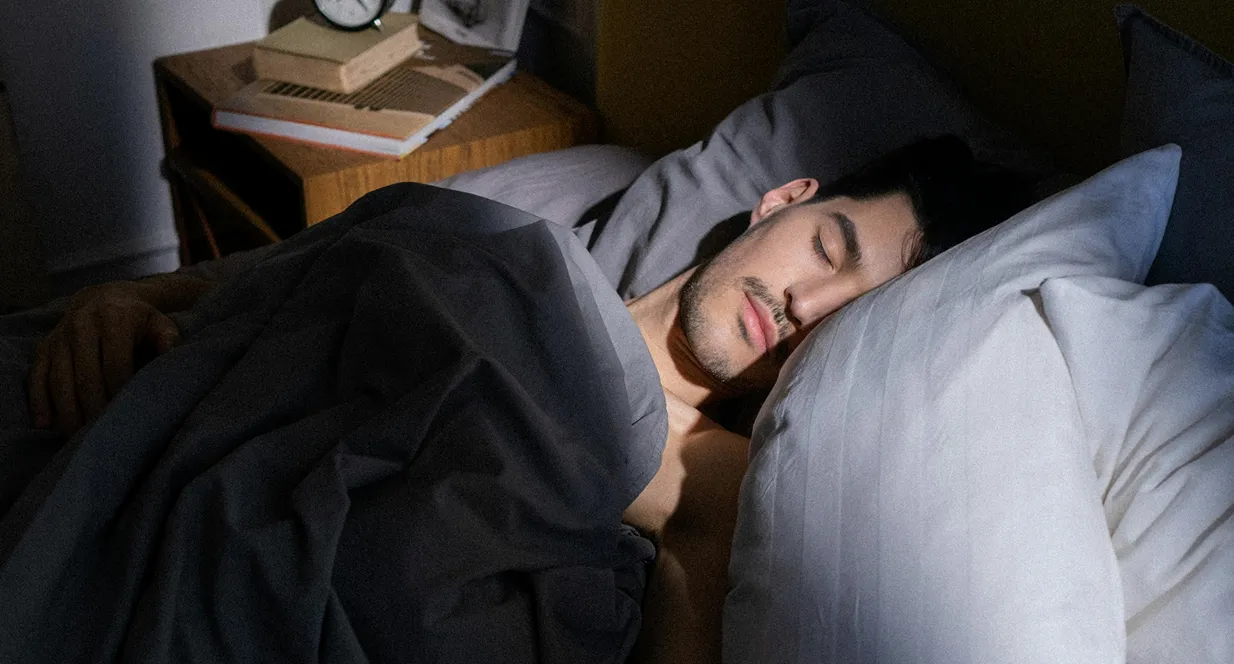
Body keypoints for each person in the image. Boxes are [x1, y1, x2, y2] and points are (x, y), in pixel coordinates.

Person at [23, 135, 1029, 663]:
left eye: (843, 319)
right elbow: (266, 279)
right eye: (826, 249)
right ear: (783, 201)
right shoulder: (497, 251)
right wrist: (121, 298)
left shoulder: (704, 477)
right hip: (140, 425)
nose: (800, 305)